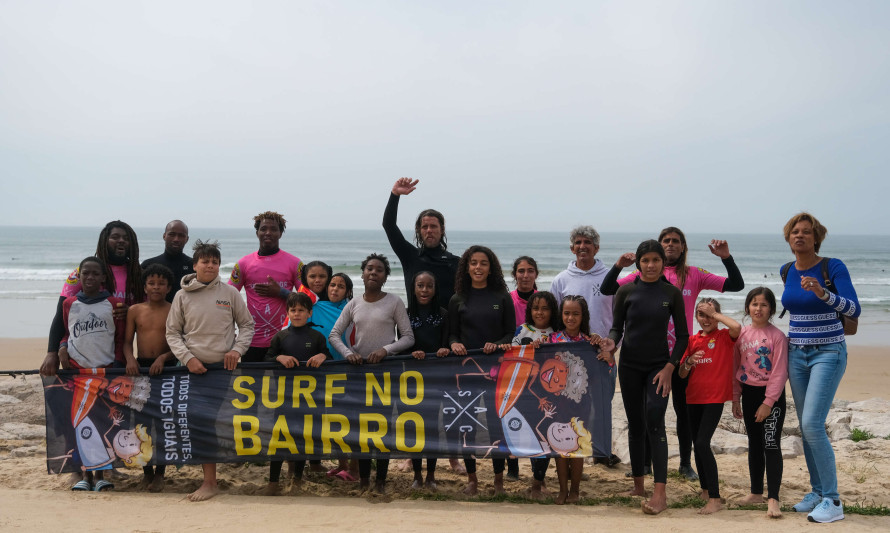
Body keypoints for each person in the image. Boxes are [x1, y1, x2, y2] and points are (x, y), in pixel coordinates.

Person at [601, 227, 744, 481]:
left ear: (683, 246)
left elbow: (735, 284)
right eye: (665, 241)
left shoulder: (693, 274)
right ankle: (644, 464)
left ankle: (685, 464)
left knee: (684, 410)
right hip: (647, 354)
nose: (670, 245)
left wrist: (726, 258)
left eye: (675, 241)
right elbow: (609, 288)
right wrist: (619, 265)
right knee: (647, 411)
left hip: (682, 354)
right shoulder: (644, 272)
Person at [780, 212, 859, 523]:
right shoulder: (786, 270)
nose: (800, 236)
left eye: (806, 232)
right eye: (794, 232)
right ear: (788, 239)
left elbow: (854, 308)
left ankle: (833, 500)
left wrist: (823, 293)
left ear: (816, 237)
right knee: (805, 424)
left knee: (813, 423)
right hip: (796, 353)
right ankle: (816, 491)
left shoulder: (832, 266)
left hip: (828, 352)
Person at [599, 240, 688, 515]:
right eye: (646, 260)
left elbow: (683, 336)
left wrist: (670, 367)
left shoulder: (671, 293)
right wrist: (611, 343)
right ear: (638, 263)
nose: (651, 265)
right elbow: (616, 329)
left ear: (663, 263)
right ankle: (639, 485)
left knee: (654, 420)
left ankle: (659, 493)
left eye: (656, 260)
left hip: (659, 368)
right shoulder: (626, 291)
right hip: (629, 367)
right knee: (636, 424)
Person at [166, 240, 255, 502]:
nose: (210, 265)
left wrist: (237, 351)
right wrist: (188, 358)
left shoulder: (230, 293)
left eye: (215, 262)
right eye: (205, 261)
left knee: (222, 424)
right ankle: (209, 482)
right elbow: (172, 332)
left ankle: (219, 475)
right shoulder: (182, 296)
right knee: (202, 424)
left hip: (224, 372)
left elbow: (247, 326)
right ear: (194, 265)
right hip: (192, 371)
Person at [329, 253, 415, 493]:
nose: (373, 273)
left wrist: (386, 350)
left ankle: (380, 482)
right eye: (369, 269)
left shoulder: (394, 302)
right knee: (362, 430)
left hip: (385, 374)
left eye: (379, 270)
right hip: (359, 374)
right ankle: (364, 481)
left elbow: (408, 337)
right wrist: (348, 354)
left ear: (385, 276)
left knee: (383, 430)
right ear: (363, 273)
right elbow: (334, 335)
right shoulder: (354, 303)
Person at [549, 226, 620, 467]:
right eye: (578, 242)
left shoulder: (610, 278)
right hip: (569, 356)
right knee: (571, 404)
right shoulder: (561, 280)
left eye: (588, 242)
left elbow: (619, 318)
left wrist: (612, 348)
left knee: (601, 405)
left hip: (602, 354)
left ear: (596, 248)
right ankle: (571, 447)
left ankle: (601, 453)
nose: (583, 246)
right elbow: (555, 320)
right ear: (572, 248)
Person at [448, 245, 516, 495]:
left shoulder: (501, 296)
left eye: (483, 263)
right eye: (473, 263)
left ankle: (498, 481)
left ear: (491, 268)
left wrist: (496, 345)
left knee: (496, 426)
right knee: (468, 427)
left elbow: (511, 332)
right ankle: (472, 480)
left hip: (495, 372)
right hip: (466, 374)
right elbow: (452, 333)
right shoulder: (458, 298)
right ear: (467, 267)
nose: (478, 267)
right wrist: (454, 343)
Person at [58, 256, 126, 491]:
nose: (89, 277)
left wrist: (117, 364)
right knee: (78, 423)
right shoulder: (70, 303)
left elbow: (120, 339)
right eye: (85, 273)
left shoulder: (114, 303)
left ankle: (102, 473)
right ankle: (80, 474)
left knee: (103, 423)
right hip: (78, 373)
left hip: (105, 371)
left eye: (95, 274)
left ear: (103, 278)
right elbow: (67, 333)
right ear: (80, 276)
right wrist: (62, 348)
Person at [41, 221, 143, 376]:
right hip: (81, 355)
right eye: (115, 237)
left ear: (132, 244)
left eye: (126, 238)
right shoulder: (82, 273)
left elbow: (150, 314)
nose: (121, 240)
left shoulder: (138, 274)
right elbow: (62, 315)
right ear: (104, 240)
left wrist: (131, 311)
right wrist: (52, 351)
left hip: (117, 355)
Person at [678, 298, 741, 515]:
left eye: (709, 315)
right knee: (697, 443)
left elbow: (737, 327)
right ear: (696, 317)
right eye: (701, 315)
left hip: (714, 398)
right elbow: (682, 373)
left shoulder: (724, 336)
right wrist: (689, 362)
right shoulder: (692, 340)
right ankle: (705, 490)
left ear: (717, 315)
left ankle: (715, 497)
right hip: (693, 397)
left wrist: (715, 314)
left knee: (703, 442)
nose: (705, 319)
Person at [263, 292, 330, 496]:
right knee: (279, 438)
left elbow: (327, 355)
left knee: (302, 438)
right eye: (293, 310)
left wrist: (322, 355)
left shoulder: (317, 337)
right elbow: (267, 358)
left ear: (309, 313)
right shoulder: (280, 336)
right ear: (288, 313)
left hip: (308, 398)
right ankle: (273, 482)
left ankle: (297, 480)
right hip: (283, 397)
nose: (297, 313)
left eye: (302, 310)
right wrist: (280, 357)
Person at [732, 287, 788, 519]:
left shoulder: (778, 337)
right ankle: (756, 493)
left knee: (771, 444)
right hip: (748, 394)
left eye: (764, 304)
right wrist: (735, 396)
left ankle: (773, 498)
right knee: (754, 444)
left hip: (771, 398)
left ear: (771, 309)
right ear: (747, 307)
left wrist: (768, 402)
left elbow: (779, 372)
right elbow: (735, 368)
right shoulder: (741, 335)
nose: (758, 308)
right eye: (754, 304)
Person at [548, 295, 608, 504]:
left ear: (583, 316)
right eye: (566, 313)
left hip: (581, 402)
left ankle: (575, 490)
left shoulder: (590, 342)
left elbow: (599, 371)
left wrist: (601, 348)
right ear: (561, 315)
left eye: (575, 313)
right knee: (560, 446)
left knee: (578, 445)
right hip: (558, 402)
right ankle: (562, 490)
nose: (570, 317)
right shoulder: (551, 340)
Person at [121, 263, 177, 492]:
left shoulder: (174, 309)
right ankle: (147, 473)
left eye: (161, 284)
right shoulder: (135, 310)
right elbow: (125, 342)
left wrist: (163, 358)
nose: (156, 287)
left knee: (163, 424)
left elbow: (180, 344)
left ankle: (161, 474)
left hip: (168, 370)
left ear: (169, 287)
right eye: (151, 283)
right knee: (141, 424)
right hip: (141, 370)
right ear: (144, 286)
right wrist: (130, 360)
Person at [229, 212, 303, 363]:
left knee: (284, 387)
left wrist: (280, 292)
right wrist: (229, 331)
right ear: (257, 233)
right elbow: (227, 297)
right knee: (250, 386)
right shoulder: (243, 264)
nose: (268, 233)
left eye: (274, 229)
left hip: (285, 339)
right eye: (263, 229)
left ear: (281, 233)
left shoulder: (295, 263)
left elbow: (308, 300)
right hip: (251, 340)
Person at [506, 291, 560, 500]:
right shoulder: (522, 330)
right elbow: (512, 354)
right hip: (526, 391)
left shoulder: (556, 333)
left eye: (545, 308)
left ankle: (540, 480)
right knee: (529, 434)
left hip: (548, 393)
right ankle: (533, 476)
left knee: (544, 435)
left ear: (552, 311)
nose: (540, 312)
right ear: (530, 310)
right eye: (536, 308)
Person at [405, 271, 451, 490]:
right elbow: (403, 343)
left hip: (435, 378)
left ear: (435, 289)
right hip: (413, 379)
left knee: (433, 427)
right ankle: (416, 475)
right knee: (415, 427)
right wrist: (412, 352)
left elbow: (446, 342)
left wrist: (444, 349)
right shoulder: (405, 314)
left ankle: (431, 475)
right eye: (420, 286)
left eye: (429, 286)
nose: (424, 290)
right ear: (414, 288)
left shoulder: (443, 314)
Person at [382, 177, 460, 303]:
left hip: (447, 322)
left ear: (442, 229)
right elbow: (389, 225)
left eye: (433, 226)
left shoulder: (456, 263)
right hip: (414, 322)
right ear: (419, 230)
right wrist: (395, 195)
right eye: (425, 227)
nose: (429, 230)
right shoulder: (410, 257)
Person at [505, 255, 541, 480]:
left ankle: (540, 470)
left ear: (536, 274)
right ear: (515, 274)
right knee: (511, 415)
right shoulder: (507, 300)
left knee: (537, 417)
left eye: (530, 271)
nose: (525, 275)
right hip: (512, 366)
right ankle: (513, 468)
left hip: (538, 366)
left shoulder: (544, 300)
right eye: (521, 271)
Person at [140, 220, 194, 302]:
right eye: (172, 234)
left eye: (181, 235)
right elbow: (138, 295)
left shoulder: (194, 266)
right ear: (164, 236)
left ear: (187, 239)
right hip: (155, 314)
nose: (176, 239)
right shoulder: (148, 265)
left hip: (186, 314)